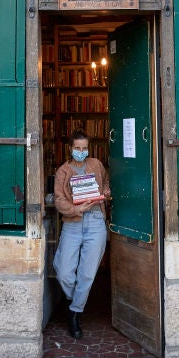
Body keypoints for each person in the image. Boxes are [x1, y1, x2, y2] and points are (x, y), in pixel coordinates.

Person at [52, 129, 110, 338]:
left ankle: (74, 314)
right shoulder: (63, 171)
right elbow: (59, 200)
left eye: (84, 148)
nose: (81, 152)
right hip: (73, 222)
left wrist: (105, 193)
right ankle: (75, 301)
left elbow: (105, 183)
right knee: (63, 270)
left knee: (87, 273)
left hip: (95, 222)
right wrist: (76, 209)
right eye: (77, 148)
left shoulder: (96, 164)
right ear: (70, 148)